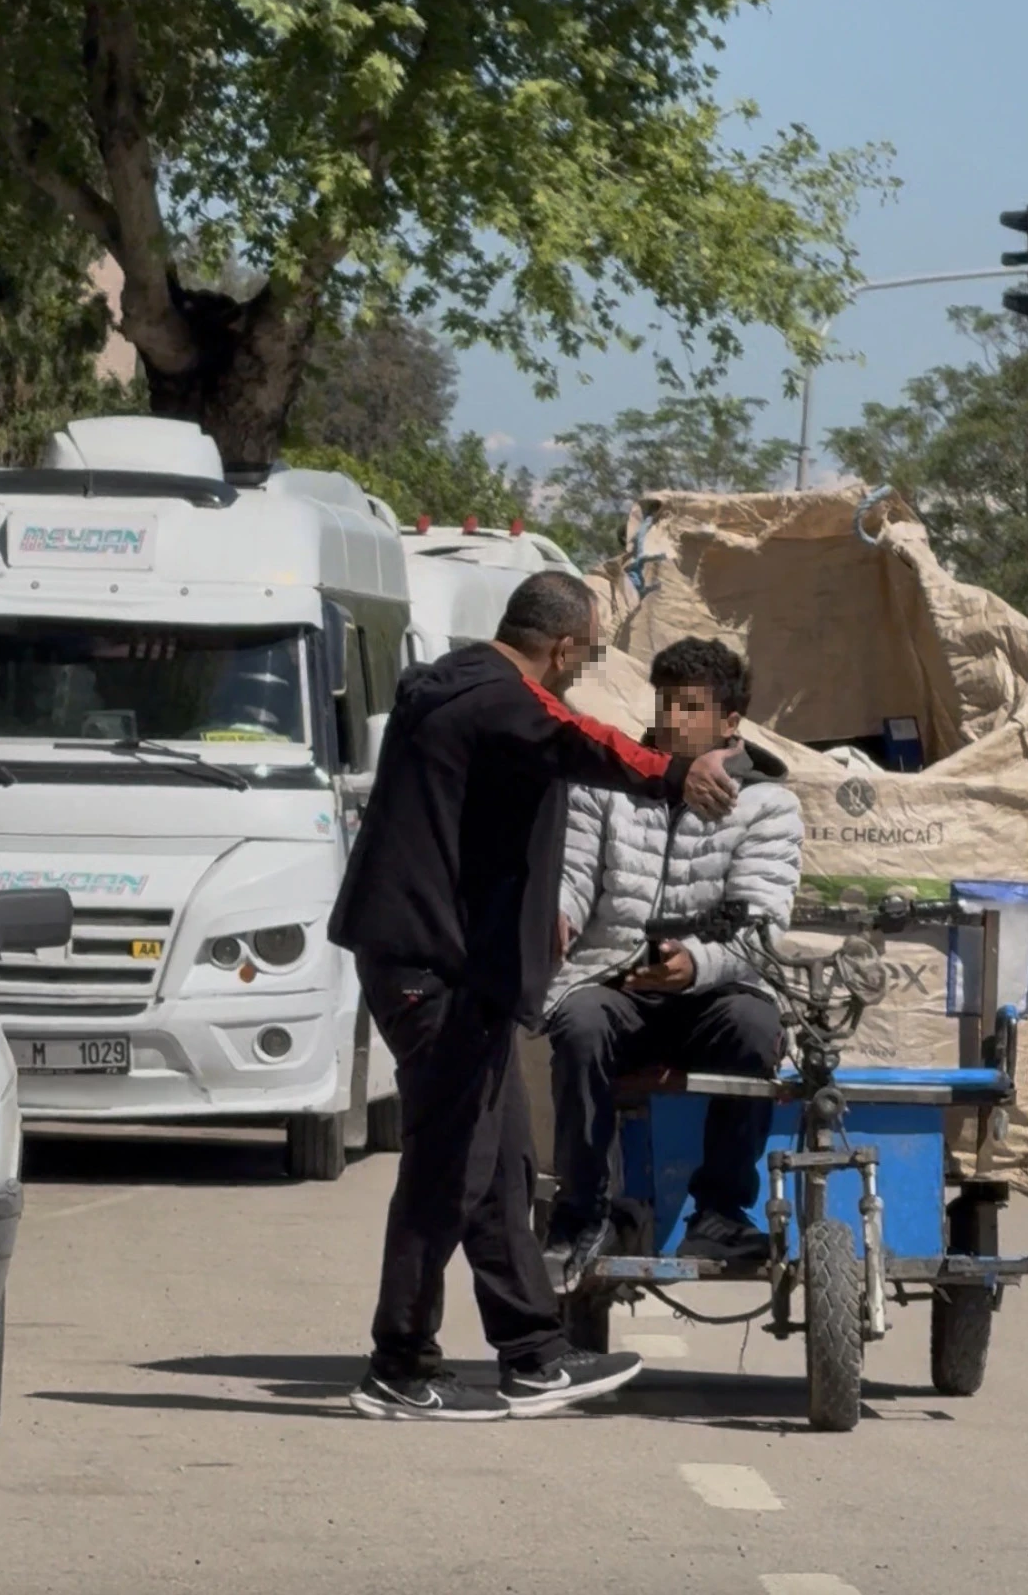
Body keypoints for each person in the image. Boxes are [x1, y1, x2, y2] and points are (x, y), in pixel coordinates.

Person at [328, 573, 741, 1422]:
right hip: (431, 972)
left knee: (504, 1161)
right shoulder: (501, 700)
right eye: (583, 656)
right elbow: (583, 740)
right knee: (449, 1169)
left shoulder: (453, 686)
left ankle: (532, 1352)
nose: (578, 674)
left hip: (456, 969)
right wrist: (676, 774)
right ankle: (398, 1364)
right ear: (560, 647)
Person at [542, 637, 804, 1291]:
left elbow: (762, 919)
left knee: (754, 1024)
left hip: (713, 990)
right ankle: (586, 1211)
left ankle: (719, 1209)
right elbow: (574, 872)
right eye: (666, 703)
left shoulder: (767, 804)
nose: (672, 719)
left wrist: (698, 962)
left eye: (690, 706)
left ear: (730, 721)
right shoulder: (608, 781)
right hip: (617, 979)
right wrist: (558, 911)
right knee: (577, 1023)